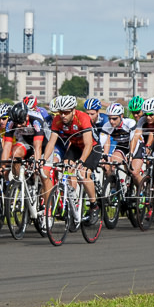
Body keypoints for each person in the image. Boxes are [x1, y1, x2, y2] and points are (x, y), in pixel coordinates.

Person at [43, 95, 100, 223]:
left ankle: (94, 206)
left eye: (66, 112)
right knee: (66, 167)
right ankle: (72, 199)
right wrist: (44, 159)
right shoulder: (57, 119)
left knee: (83, 174)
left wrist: (81, 161)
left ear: (73, 110)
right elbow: (51, 143)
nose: (63, 115)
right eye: (61, 112)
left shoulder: (82, 118)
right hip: (75, 147)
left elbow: (88, 144)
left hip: (92, 148)